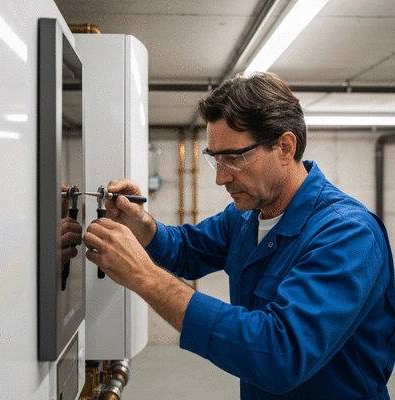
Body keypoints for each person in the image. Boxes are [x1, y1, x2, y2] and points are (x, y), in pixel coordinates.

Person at [83, 72, 395, 399]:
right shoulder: (246, 216)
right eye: (215, 159)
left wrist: (143, 276)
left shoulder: (347, 234)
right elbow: (186, 249)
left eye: (234, 158)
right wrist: (140, 224)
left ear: (285, 147)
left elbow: (279, 354)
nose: (220, 178)